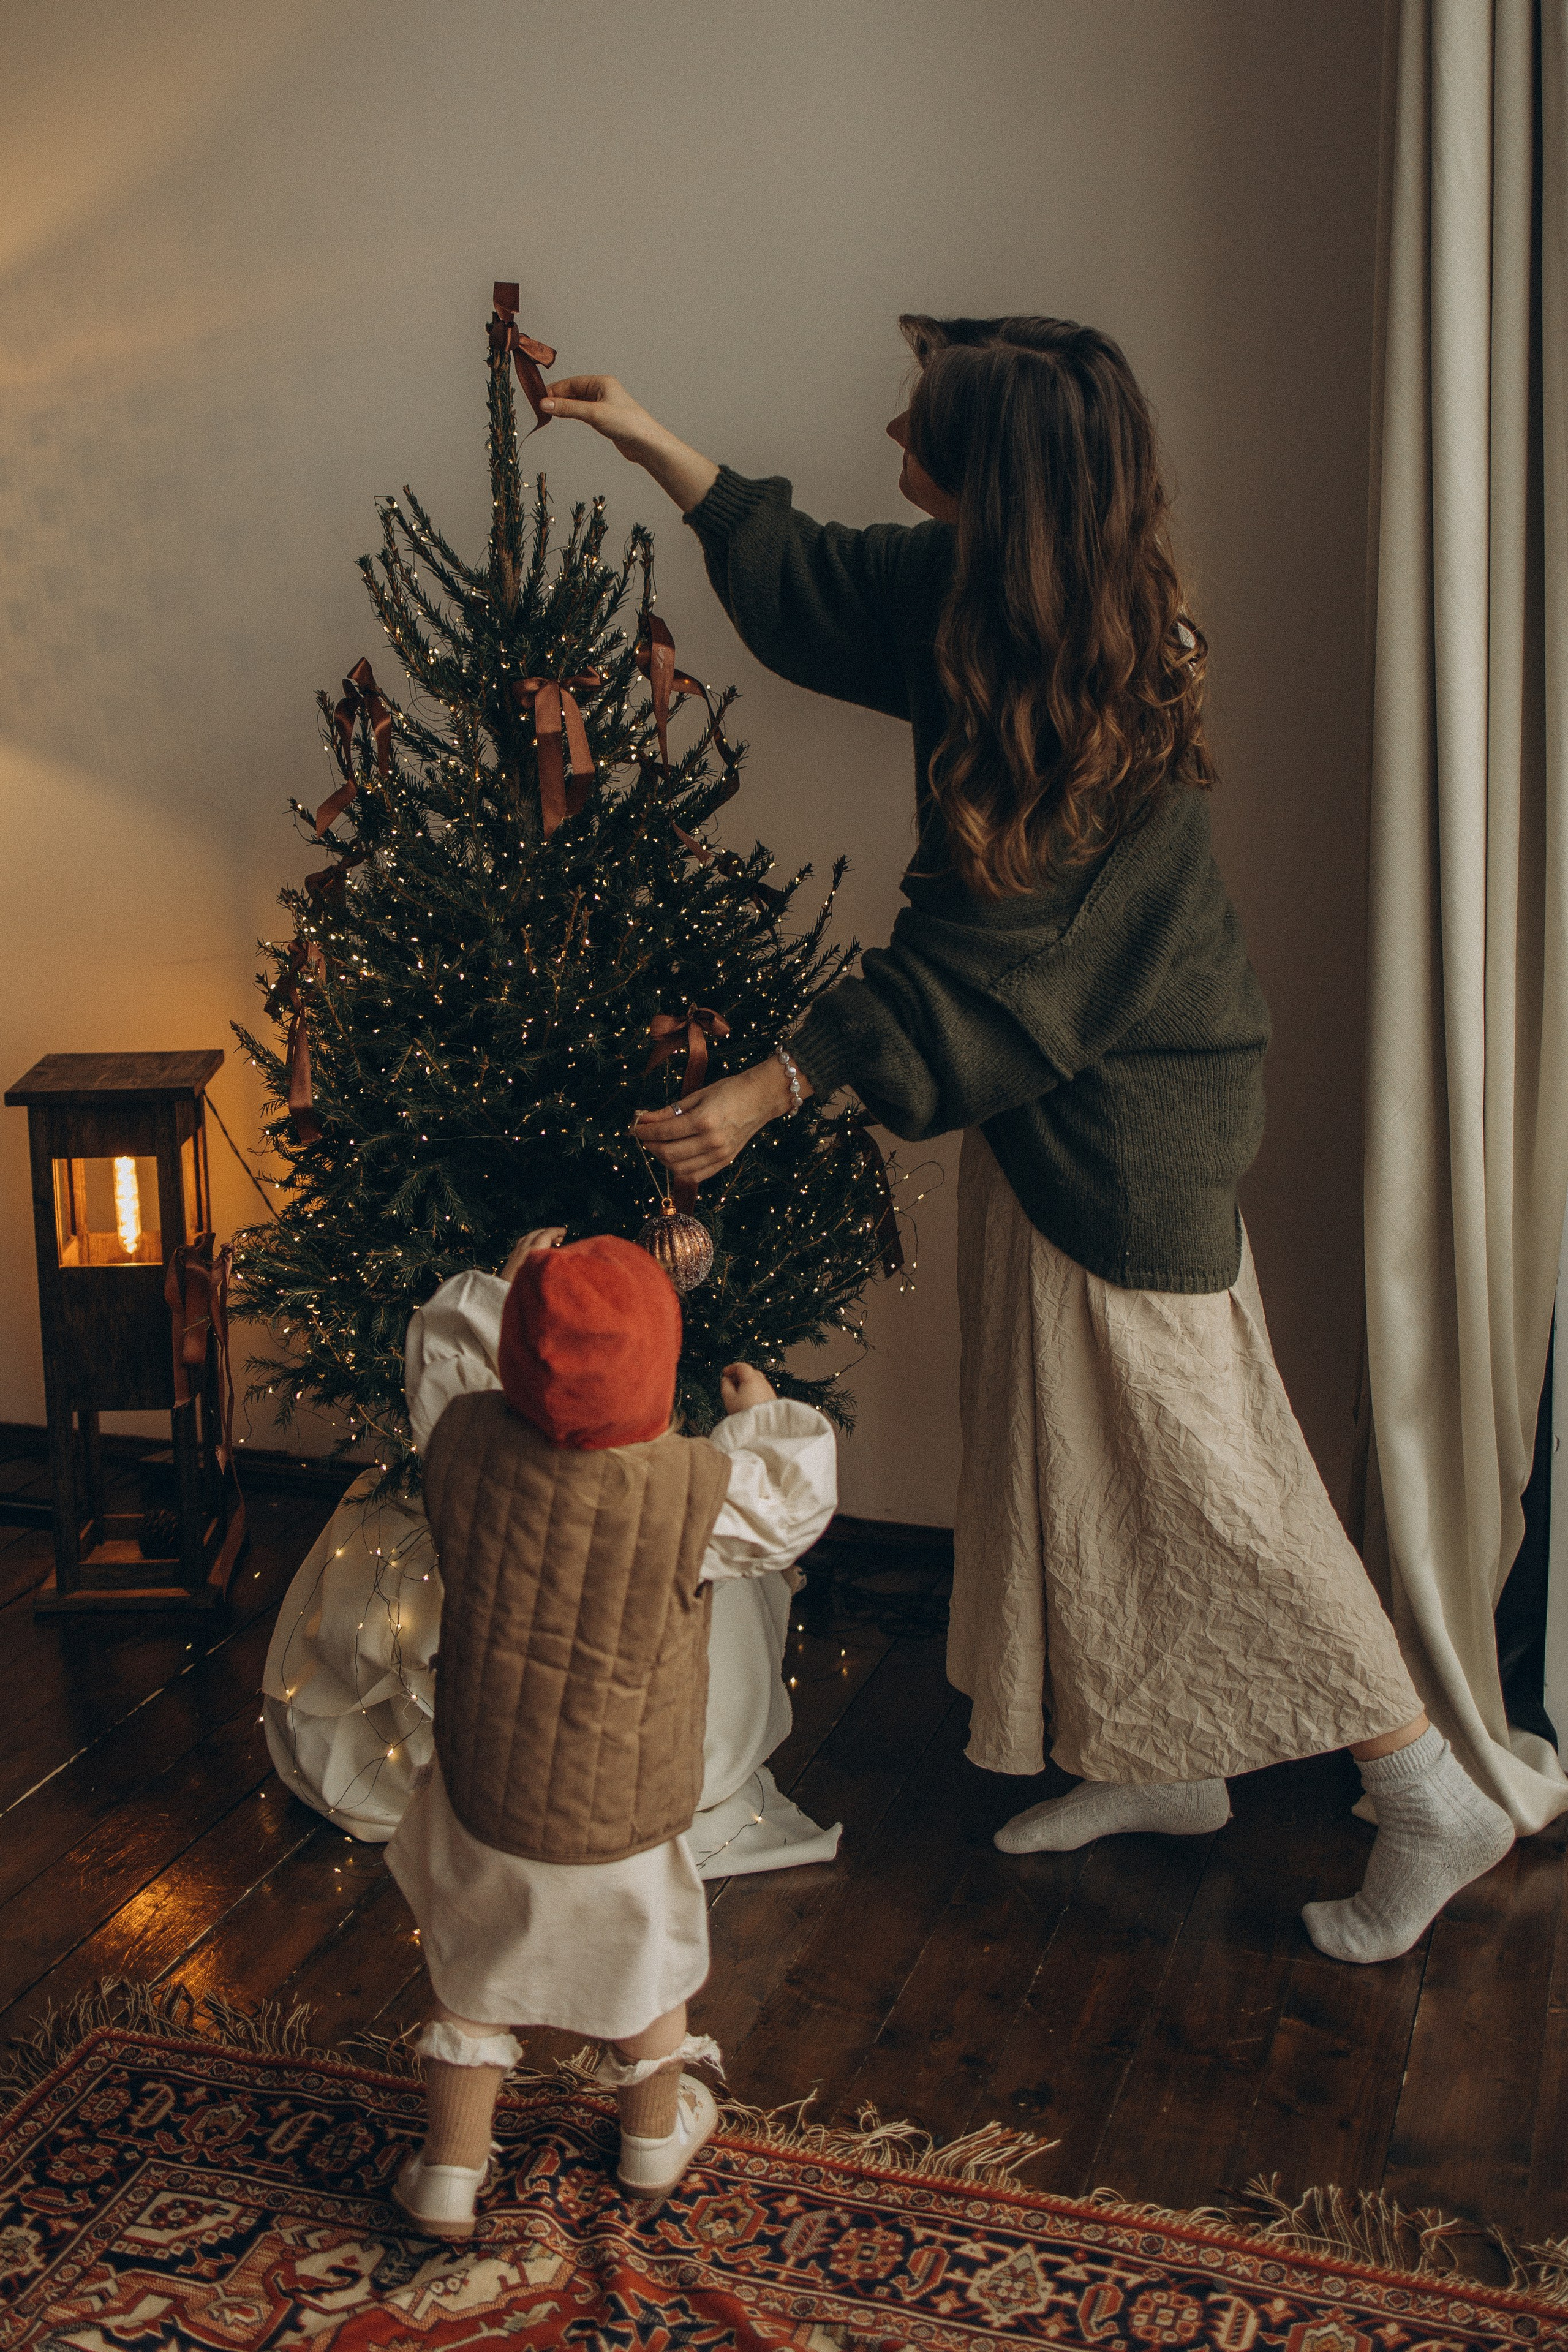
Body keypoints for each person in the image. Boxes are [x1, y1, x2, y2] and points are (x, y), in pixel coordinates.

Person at [537, 314, 1517, 1967]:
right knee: (1066, 1434)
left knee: (1210, 1469)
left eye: (922, 416)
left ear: (996, 476)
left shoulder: (1113, 685)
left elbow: (980, 959)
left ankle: (1424, 1785)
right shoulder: (982, 588)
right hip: (1043, 1094)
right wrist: (650, 438)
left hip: (1135, 1116)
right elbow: (824, 584)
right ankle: (1165, 1757)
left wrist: (776, 1087)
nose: (890, 424)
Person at [386, 1227, 837, 2237]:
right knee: (650, 1963)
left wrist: (510, 1282)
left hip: (484, 1785)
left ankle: (451, 2174)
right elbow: (790, 1503)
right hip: (621, 1804)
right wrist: (765, 1419)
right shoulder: (689, 1490)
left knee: (471, 1969)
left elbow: (443, 1348)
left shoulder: (457, 1437)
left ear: (514, 1361)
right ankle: (649, 2139)